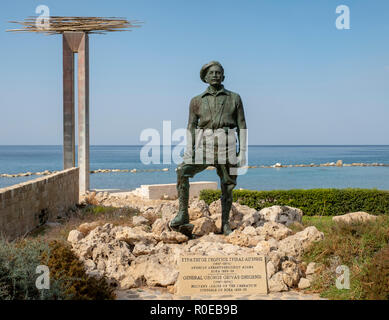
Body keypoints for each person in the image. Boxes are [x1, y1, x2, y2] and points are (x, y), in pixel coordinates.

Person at [170, 61, 247, 236]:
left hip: (227, 144)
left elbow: (242, 125)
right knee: (182, 170)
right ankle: (183, 214)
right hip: (205, 145)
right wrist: (190, 149)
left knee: (227, 186)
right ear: (205, 77)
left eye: (218, 72)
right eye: (211, 73)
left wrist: (242, 151)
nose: (215, 75)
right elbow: (191, 126)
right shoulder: (196, 101)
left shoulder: (234, 98)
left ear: (224, 76)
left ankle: (225, 224)